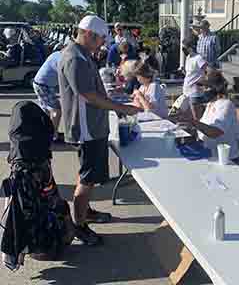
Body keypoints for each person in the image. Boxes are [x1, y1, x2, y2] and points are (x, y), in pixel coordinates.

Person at [58, 15, 140, 246]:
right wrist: (120, 107)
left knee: (88, 176)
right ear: (88, 34)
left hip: (92, 127)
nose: (102, 44)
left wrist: (113, 103)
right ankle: (80, 225)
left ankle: (86, 212)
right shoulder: (75, 57)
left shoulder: (82, 54)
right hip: (87, 129)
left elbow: (93, 91)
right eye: (100, 39)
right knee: (87, 178)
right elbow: (87, 95)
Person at [1, 101, 74, 270]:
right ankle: (58, 238)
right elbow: (51, 197)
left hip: (30, 230)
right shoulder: (39, 159)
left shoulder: (18, 156)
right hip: (47, 239)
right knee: (59, 207)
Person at [176, 71, 239, 161]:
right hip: (208, 152)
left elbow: (215, 133)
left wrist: (192, 121)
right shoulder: (211, 104)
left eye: (206, 87)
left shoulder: (226, 105)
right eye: (202, 87)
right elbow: (202, 129)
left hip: (224, 159)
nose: (202, 90)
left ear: (216, 88)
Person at [33, 47, 63, 140]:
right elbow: (65, 77)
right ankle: (52, 135)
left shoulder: (56, 54)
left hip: (41, 83)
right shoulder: (61, 59)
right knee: (56, 110)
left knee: (46, 110)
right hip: (44, 85)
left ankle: (45, 132)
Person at [182, 37, 208, 120]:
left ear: (190, 47)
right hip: (187, 91)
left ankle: (200, 132)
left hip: (195, 92)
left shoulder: (199, 58)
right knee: (188, 116)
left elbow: (207, 71)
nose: (183, 49)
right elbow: (190, 74)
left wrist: (202, 84)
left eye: (184, 46)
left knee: (197, 117)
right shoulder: (188, 57)